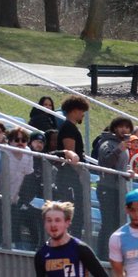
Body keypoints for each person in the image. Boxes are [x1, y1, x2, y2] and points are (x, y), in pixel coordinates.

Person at [94, 117, 133, 260]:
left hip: (119, 189)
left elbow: (121, 166)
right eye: (121, 127)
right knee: (108, 224)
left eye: (127, 127)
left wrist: (128, 172)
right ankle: (103, 256)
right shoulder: (108, 143)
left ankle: (114, 256)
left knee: (118, 224)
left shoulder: (123, 146)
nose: (124, 130)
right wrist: (119, 150)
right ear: (114, 128)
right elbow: (106, 163)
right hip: (107, 188)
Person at [55, 96, 90, 237]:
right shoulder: (68, 128)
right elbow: (71, 154)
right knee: (72, 212)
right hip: (69, 177)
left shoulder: (70, 127)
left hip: (73, 177)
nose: (83, 114)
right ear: (74, 110)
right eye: (82, 111)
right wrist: (81, 174)